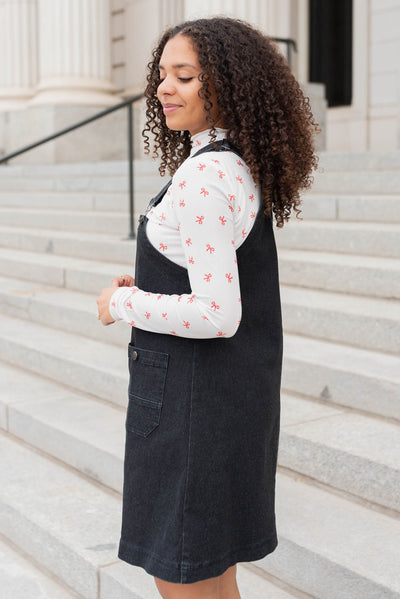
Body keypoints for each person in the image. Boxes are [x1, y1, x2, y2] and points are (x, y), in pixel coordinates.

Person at [96, 16, 318, 599]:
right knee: (216, 576)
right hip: (221, 403)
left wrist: (123, 302)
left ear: (223, 83)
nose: (164, 88)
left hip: (190, 410)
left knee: (181, 575)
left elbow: (219, 314)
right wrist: (148, 287)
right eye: (162, 74)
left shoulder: (202, 177)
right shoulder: (233, 164)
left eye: (185, 76)